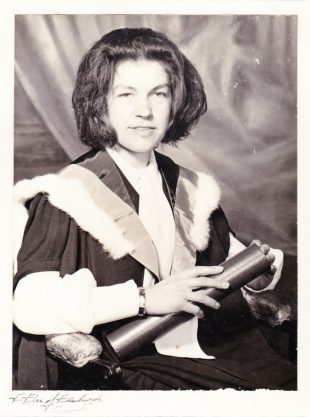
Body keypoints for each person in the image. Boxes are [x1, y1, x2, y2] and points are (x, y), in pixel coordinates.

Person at [12, 27, 296, 390]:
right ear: (100, 104)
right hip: (126, 362)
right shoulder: (66, 193)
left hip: (210, 348)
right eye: (126, 94)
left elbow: (230, 260)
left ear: (175, 103)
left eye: (158, 94)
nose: (144, 111)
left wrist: (264, 270)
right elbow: (30, 306)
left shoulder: (191, 187)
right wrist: (144, 299)